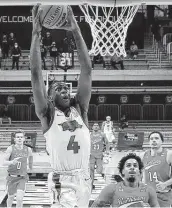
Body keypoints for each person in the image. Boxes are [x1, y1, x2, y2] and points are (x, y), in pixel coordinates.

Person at [30, 5, 92, 208]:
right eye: (58, 89)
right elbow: (35, 74)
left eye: (67, 88)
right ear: (49, 98)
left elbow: (87, 70)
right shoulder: (47, 113)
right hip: (61, 179)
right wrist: (36, 34)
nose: (66, 90)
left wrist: (75, 30)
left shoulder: (80, 109)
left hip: (84, 176)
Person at [91, 153, 160, 207]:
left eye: (135, 166)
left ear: (139, 171)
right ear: (122, 171)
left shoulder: (149, 190)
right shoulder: (111, 189)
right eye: (128, 165)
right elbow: (95, 205)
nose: (132, 168)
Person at [3, 129, 33, 208]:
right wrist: (11, 162)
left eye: (21, 137)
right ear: (14, 139)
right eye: (17, 137)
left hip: (22, 177)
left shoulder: (28, 149)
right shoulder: (10, 148)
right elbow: (3, 162)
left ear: (24, 138)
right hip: (11, 177)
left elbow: (30, 158)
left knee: (20, 198)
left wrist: (30, 167)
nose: (19, 138)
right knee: (11, 197)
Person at [142, 131, 172, 207]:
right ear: (149, 142)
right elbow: (142, 176)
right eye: (151, 139)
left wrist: (165, 184)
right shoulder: (144, 155)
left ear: (162, 141)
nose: (154, 140)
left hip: (163, 195)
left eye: (156, 138)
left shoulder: (168, 154)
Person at [90, 123, 109, 189]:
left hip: (99, 155)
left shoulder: (102, 134)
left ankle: (103, 175)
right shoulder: (89, 134)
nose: (96, 127)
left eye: (97, 125)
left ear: (99, 127)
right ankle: (91, 184)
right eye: (94, 125)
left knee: (99, 171)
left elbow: (107, 143)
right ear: (92, 127)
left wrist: (107, 150)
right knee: (91, 170)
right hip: (91, 155)